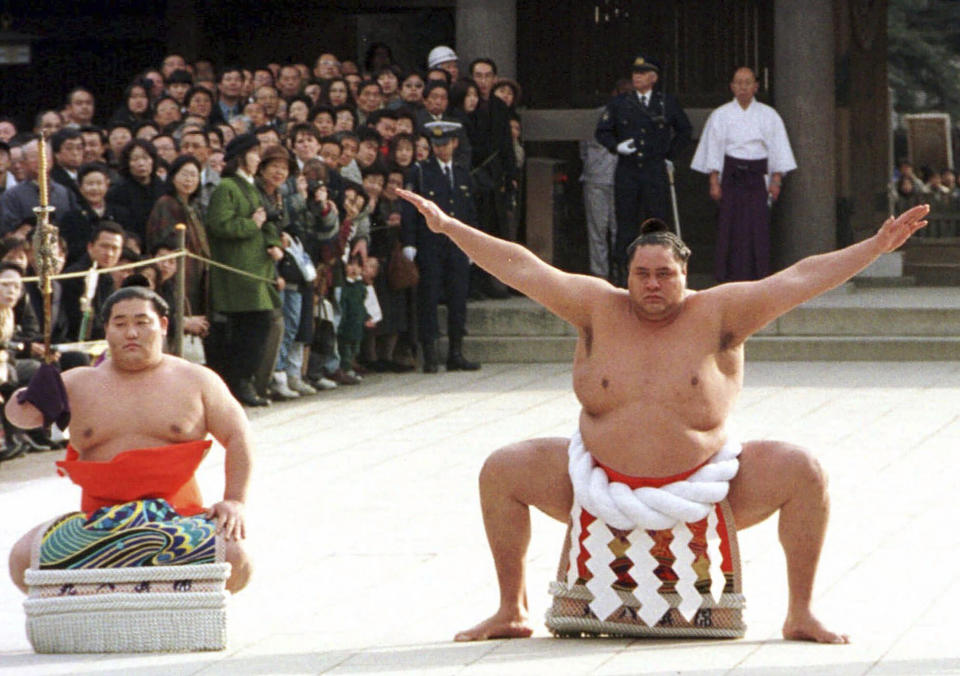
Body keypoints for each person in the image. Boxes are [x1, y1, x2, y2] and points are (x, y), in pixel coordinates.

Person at [397, 181, 931, 644]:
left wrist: (875, 247)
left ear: (684, 273)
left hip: (707, 494)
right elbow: (522, 266)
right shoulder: (594, 308)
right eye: (642, 273)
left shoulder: (721, 312)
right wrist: (448, 228)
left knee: (804, 471)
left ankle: (801, 612)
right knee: (502, 469)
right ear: (625, 274)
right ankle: (511, 609)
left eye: (665, 274)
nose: (652, 284)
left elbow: (799, 278)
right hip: (598, 491)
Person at [5, 286, 252, 593]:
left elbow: (239, 435)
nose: (131, 332)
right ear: (106, 330)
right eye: (119, 324)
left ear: (162, 325)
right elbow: (22, 417)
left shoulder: (197, 380)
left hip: (178, 515)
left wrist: (234, 500)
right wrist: (29, 393)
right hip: (97, 520)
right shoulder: (77, 383)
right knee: (23, 560)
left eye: (141, 322)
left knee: (235, 558)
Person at [691, 67, 797, 282]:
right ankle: (727, 278)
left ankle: (759, 277)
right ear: (732, 86)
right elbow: (714, 148)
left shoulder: (769, 115)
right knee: (728, 226)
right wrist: (714, 181)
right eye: (738, 82)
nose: (743, 87)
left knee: (758, 227)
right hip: (731, 176)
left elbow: (778, 149)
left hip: (757, 177)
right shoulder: (721, 115)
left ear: (756, 86)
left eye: (747, 82)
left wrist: (776, 180)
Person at [595, 55, 692, 285]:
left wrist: (668, 154)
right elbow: (602, 131)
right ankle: (623, 274)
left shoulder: (665, 102)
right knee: (625, 223)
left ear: (653, 78)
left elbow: (684, 130)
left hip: (654, 170)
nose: (636, 77)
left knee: (657, 223)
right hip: (628, 170)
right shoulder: (620, 103)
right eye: (635, 73)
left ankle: (661, 272)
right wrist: (616, 146)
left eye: (642, 73)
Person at [205, 133, 283, 407]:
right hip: (238, 271)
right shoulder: (227, 187)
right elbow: (220, 224)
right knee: (252, 327)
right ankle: (241, 383)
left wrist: (274, 243)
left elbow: (268, 221)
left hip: (257, 269)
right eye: (254, 153)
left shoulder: (252, 186)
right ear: (241, 156)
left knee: (256, 327)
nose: (258, 159)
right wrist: (253, 225)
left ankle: (245, 382)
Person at [400, 121, 480, 373]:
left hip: (457, 244)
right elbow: (410, 211)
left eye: (444, 144)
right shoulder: (420, 171)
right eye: (436, 144)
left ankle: (456, 351)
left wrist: (473, 245)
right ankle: (430, 353)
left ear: (454, 143)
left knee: (458, 297)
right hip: (429, 244)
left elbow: (469, 213)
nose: (440, 149)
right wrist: (410, 241)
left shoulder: (462, 172)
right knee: (429, 296)